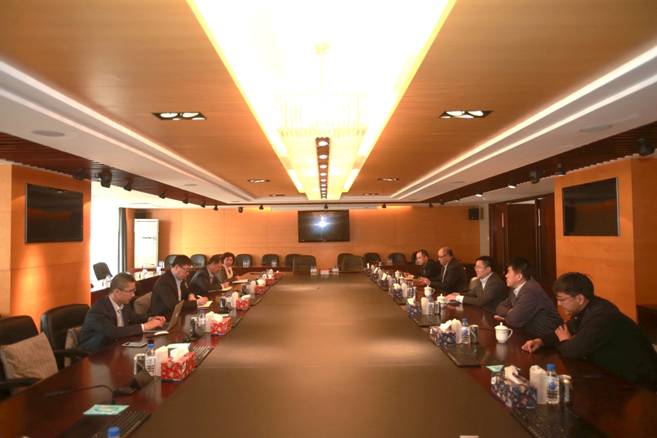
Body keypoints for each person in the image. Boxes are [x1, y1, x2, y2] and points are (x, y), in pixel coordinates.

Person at [522, 272, 657, 391]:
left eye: (562, 300)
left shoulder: (601, 316)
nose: (559, 304)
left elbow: (572, 351)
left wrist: (565, 341)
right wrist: (541, 341)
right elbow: (563, 330)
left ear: (579, 299)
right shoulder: (586, 308)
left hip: (639, 382)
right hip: (613, 374)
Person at [79, 273, 165, 353]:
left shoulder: (124, 303)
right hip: (95, 353)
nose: (133, 295)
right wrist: (145, 326)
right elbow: (113, 332)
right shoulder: (98, 310)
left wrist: (149, 319)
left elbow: (133, 317)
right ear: (117, 292)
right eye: (130, 291)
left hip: (117, 348)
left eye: (134, 291)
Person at [495, 257, 561, 338]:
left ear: (519, 276)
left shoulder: (530, 290)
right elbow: (499, 307)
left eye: (508, 272)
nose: (506, 275)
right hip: (529, 334)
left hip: (548, 337)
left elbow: (514, 320)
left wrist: (508, 315)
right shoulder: (515, 288)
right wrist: (511, 311)